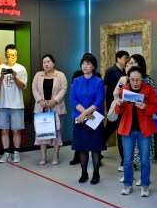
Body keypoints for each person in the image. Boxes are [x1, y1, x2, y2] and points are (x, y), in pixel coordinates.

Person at [115, 66, 157, 197]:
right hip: (127, 129)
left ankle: (145, 186)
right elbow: (118, 112)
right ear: (128, 78)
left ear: (143, 79)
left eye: (138, 80)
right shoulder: (124, 89)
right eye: (132, 79)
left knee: (144, 160)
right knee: (128, 160)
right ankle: (127, 184)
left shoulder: (148, 90)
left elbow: (156, 108)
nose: (135, 83)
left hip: (144, 130)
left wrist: (145, 106)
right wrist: (119, 105)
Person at [70, 53, 106, 184]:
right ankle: (84, 173)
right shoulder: (76, 81)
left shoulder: (99, 81)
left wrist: (85, 113)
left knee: (95, 148)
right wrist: (84, 113)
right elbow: (73, 99)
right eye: (83, 63)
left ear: (93, 66)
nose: (84, 66)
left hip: (94, 118)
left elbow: (99, 100)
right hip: (80, 119)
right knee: (82, 147)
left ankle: (96, 174)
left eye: (88, 63)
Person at [32, 54, 68, 165]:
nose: (46, 64)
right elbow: (34, 88)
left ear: (53, 63)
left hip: (56, 107)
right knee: (43, 132)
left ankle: (56, 155)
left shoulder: (60, 75)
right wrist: (40, 100)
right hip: (42, 108)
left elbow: (64, 89)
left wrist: (54, 100)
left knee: (57, 132)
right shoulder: (38, 75)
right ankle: (43, 155)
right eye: (44, 62)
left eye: (48, 62)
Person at [0, 44, 27, 163]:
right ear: (5, 55)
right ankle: (6, 153)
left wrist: (14, 77)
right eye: (9, 55)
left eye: (14, 55)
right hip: (3, 104)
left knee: (16, 130)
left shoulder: (21, 69)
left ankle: (16, 153)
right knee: (4, 130)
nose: (12, 57)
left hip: (17, 105)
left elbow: (22, 86)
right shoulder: (0, 68)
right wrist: (1, 77)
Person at [103, 50, 129, 164]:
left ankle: (124, 158)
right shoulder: (111, 71)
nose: (126, 60)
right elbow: (105, 87)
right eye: (125, 58)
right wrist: (104, 103)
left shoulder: (125, 72)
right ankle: (98, 147)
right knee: (110, 127)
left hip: (123, 105)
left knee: (113, 128)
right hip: (112, 104)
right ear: (118, 58)